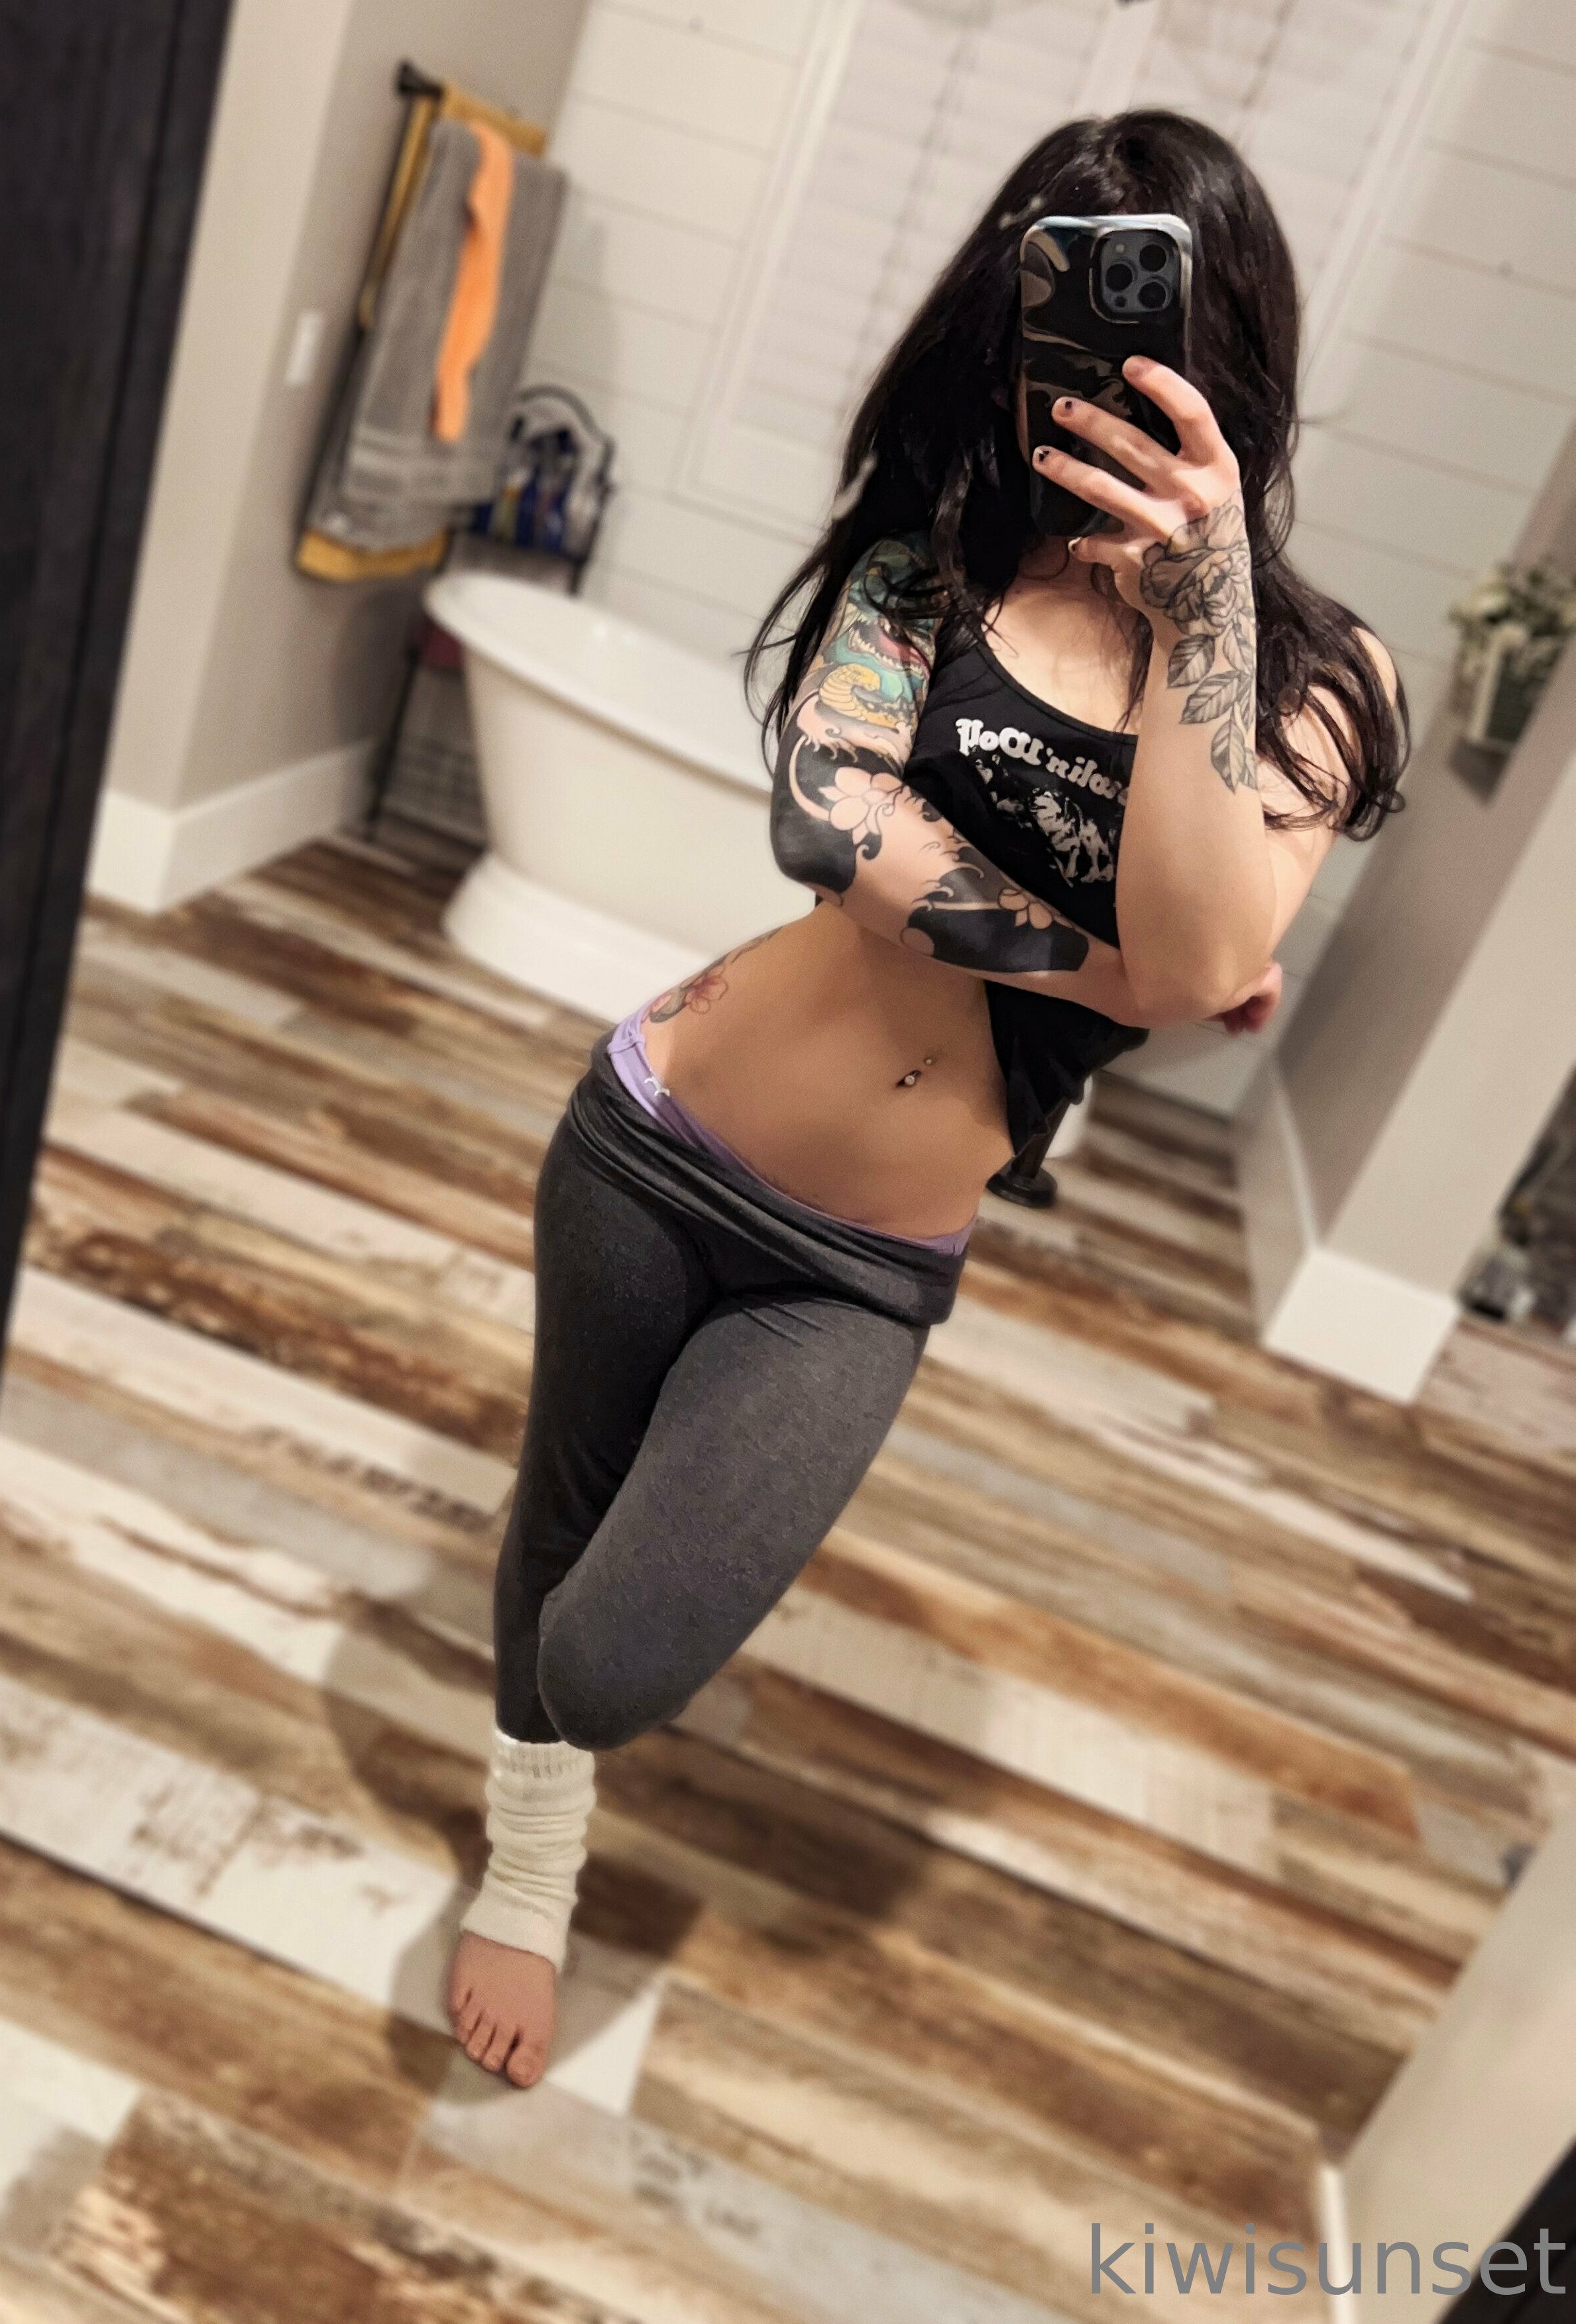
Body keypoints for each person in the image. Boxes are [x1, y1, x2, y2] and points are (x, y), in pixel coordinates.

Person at [444, 111, 1406, 2087]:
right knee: (560, 1518)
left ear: (1229, 352)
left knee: (608, 1658)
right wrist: (1107, 965)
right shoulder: (939, 555)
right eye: (1053, 310)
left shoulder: (1311, 681)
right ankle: (526, 1873)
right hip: (653, 1130)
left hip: (859, 1264)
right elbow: (829, 824)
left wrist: (1202, 607)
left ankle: (555, 1767)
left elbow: (1206, 953)